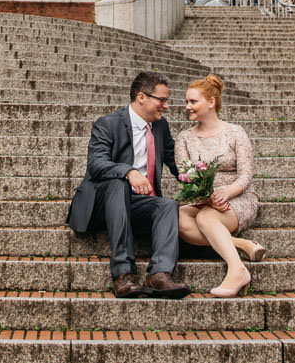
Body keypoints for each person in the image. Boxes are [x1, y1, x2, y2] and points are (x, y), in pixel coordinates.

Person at [66, 71, 190, 298]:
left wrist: (200, 182)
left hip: (136, 204)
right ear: (142, 97)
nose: (166, 106)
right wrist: (129, 172)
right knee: (118, 183)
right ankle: (123, 274)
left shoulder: (161, 127)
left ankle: (159, 275)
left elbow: (175, 162)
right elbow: (97, 163)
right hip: (102, 205)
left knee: (167, 205)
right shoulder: (108, 123)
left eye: (166, 100)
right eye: (162, 100)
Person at [176, 73, 265, 297]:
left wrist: (225, 193)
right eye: (187, 101)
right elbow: (186, 177)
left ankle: (237, 270)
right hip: (202, 200)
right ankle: (242, 245)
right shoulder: (184, 138)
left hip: (237, 199)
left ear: (211, 102)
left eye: (193, 101)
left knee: (206, 218)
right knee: (175, 218)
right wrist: (205, 196)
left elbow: (245, 176)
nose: (187, 106)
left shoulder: (236, 133)